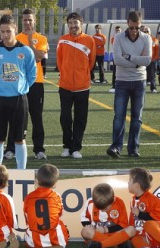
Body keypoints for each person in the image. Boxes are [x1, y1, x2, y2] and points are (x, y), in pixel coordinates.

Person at [0, 14, 36, 169]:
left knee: (20, 139)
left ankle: (22, 172)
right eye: (2, 31)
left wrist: (20, 87)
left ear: (15, 29)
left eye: (8, 31)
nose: (5, 35)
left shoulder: (26, 51)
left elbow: (31, 74)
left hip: (18, 100)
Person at [106, 11, 151, 158]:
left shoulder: (146, 38)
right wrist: (137, 62)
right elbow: (117, 60)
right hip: (122, 81)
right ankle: (116, 147)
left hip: (139, 81)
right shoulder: (118, 37)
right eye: (132, 27)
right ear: (127, 24)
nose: (134, 31)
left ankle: (133, 149)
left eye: (137, 28)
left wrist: (129, 57)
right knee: (119, 116)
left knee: (137, 117)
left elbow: (148, 60)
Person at [7, 8, 48, 160]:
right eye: (25, 20)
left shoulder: (41, 39)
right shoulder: (15, 38)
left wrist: (31, 41)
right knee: (15, 117)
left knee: (36, 117)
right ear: (21, 21)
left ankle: (39, 149)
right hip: (18, 83)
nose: (27, 22)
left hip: (36, 83)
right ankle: (11, 148)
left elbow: (38, 58)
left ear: (34, 21)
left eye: (30, 20)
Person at [57, 12, 96, 159]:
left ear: (81, 23)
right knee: (65, 117)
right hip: (65, 86)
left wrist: (82, 75)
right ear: (68, 25)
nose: (73, 26)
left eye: (76, 23)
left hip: (82, 87)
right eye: (71, 23)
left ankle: (76, 148)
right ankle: (66, 146)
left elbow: (91, 62)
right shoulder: (62, 40)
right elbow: (60, 61)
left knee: (80, 118)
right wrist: (66, 74)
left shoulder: (89, 40)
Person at [127, 167, 160, 248]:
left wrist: (140, 214)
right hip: (148, 237)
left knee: (149, 224)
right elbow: (133, 222)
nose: (128, 182)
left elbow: (158, 219)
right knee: (135, 239)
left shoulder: (153, 200)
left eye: (129, 180)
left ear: (137, 186)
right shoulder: (134, 200)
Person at [23, 164, 69, 248]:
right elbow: (60, 214)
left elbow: (27, 217)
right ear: (55, 184)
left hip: (34, 240)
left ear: (36, 181)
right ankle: (54, 245)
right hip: (56, 239)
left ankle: (38, 245)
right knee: (61, 224)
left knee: (29, 232)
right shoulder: (56, 196)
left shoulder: (28, 197)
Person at [81, 183, 133, 248]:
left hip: (115, 234)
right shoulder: (90, 202)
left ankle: (102, 244)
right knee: (84, 231)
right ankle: (117, 243)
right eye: (100, 208)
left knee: (131, 229)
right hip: (98, 234)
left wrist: (106, 229)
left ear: (113, 199)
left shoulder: (119, 203)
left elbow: (123, 225)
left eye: (105, 208)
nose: (102, 211)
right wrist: (91, 227)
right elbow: (84, 219)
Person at [142, 26, 159, 93]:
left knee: (152, 75)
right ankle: (142, 88)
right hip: (143, 60)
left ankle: (153, 88)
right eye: (144, 31)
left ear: (150, 32)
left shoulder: (155, 40)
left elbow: (157, 50)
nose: (146, 33)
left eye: (147, 31)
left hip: (152, 60)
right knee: (142, 75)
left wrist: (155, 58)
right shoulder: (140, 39)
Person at [110, 26, 122, 91]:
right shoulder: (113, 38)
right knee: (115, 71)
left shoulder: (123, 38)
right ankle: (114, 86)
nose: (118, 31)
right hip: (116, 57)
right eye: (117, 30)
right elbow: (114, 45)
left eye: (119, 30)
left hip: (122, 57)